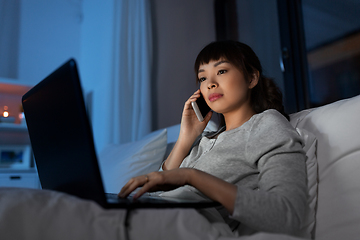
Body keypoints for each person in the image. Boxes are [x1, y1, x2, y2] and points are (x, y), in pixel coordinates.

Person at [118, 40, 309, 237]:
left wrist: (190, 176)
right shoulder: (206, 140)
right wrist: (186, 138)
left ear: (251, 78)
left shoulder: (266, 124)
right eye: (202, 78)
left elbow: (288, 216)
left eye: (222, 71)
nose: (210, 84)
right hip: (158, 217)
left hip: (192, 226)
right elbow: (155, 195)